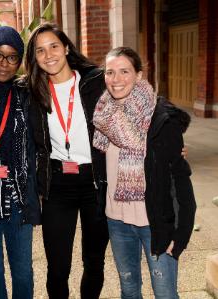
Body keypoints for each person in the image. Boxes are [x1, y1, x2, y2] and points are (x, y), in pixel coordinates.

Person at [92, 46, 196, 299]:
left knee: (165, 294)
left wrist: (181, 234)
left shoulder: (161, 120)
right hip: (116, 221)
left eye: (124, 71)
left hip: (155, 222)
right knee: (128, 289)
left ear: (139, 75)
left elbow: (180, 181)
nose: (115, 80)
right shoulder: (101, 116)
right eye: (110, 72)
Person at [25, 23, 109, 299]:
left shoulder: (96, 81)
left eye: (53, 46)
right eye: (40, 50)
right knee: (58, 266)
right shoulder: (32, 91)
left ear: (66, 48)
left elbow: (140, 99)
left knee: (94, 261)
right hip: (58, 183)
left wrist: (169, 141)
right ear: (34, 58)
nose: (48, 55)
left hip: (95, 182)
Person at [0, 26, 41, 299]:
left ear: (20, 60)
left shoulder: (26, 94)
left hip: (19, 200)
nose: (4, 63)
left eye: (12, 57)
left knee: (23, 270)